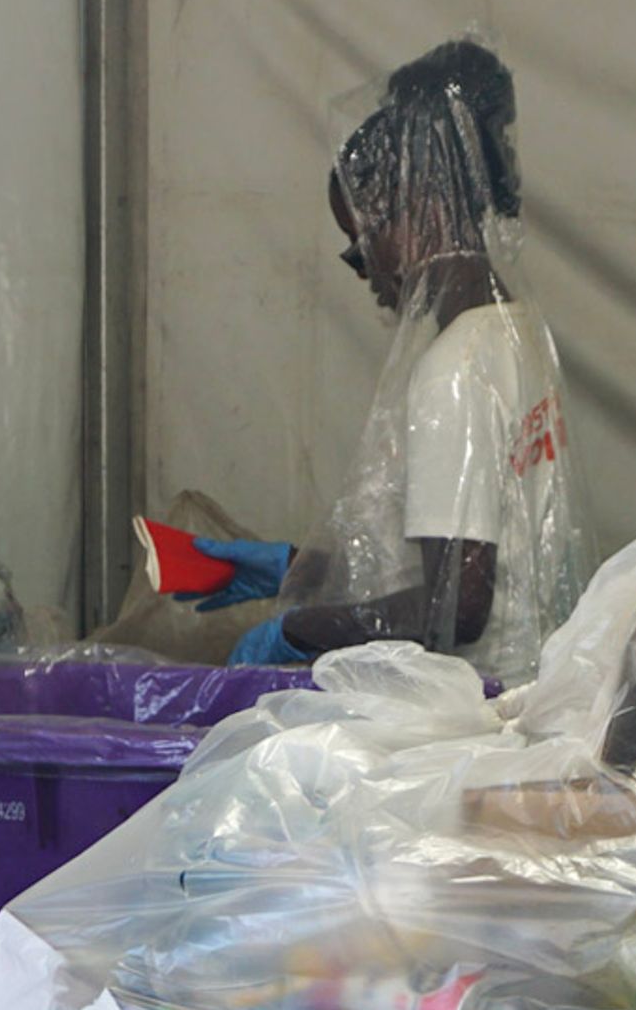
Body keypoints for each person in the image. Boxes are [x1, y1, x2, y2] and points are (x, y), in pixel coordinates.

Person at [189, 40, 583, 681]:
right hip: (526, 684)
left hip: (474, 709)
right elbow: (476, 544)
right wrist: (297, 567)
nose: (366, 272)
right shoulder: (514, 331)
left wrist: (293, 630)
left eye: (361, 245)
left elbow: (459, 605)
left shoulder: (451, 374)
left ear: (421, 212)